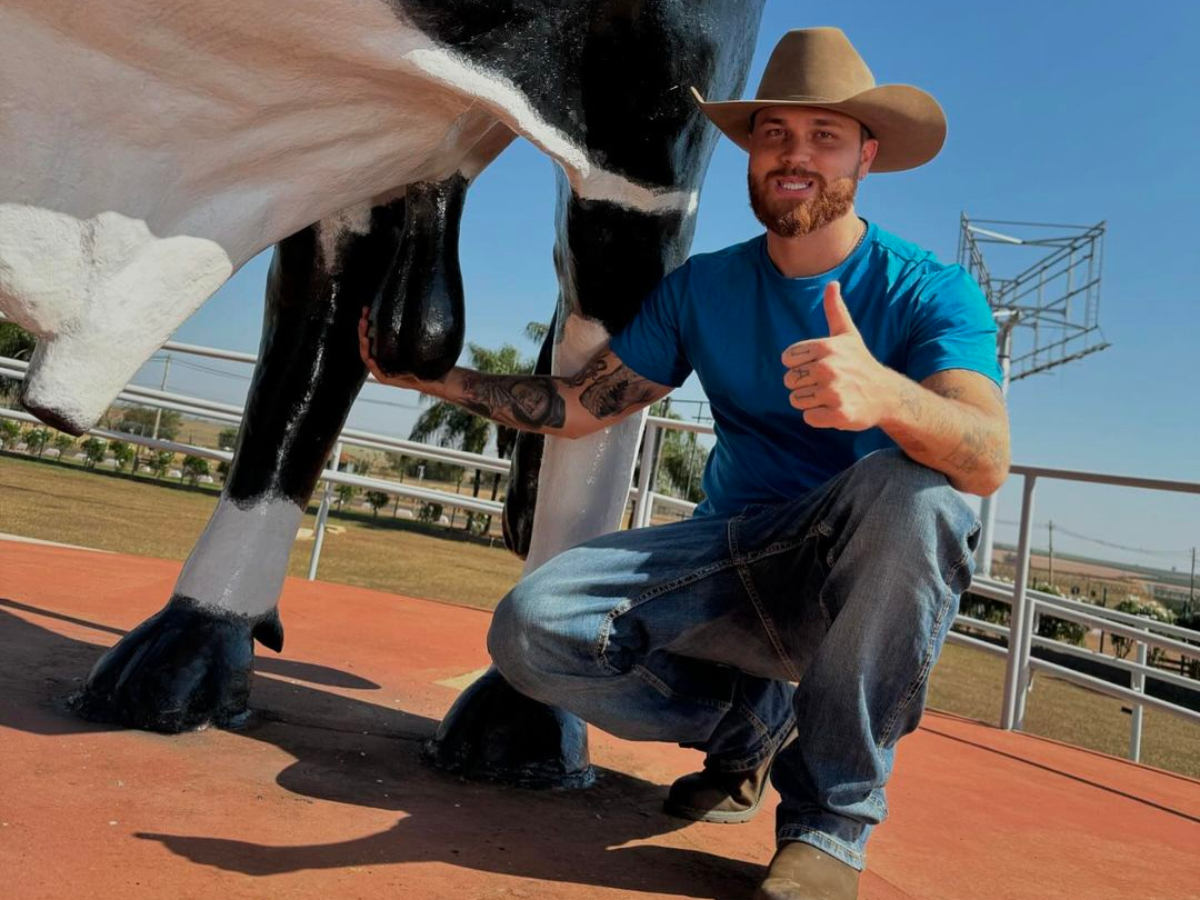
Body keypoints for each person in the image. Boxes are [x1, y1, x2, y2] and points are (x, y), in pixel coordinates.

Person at [361, 27, 1009, 900]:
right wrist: (439, 378)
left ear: (867, 153)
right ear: (750, 149)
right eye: (775, 133)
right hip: (731, 559)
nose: (796, 155)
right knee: (530, 628)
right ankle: (749, 728)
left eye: (825, 136)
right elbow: (584, 405)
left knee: (921, 493)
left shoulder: (928, 290)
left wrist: (887, 397)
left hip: (853, 586)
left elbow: (987, 454)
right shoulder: (703, 288)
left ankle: (828, 829)